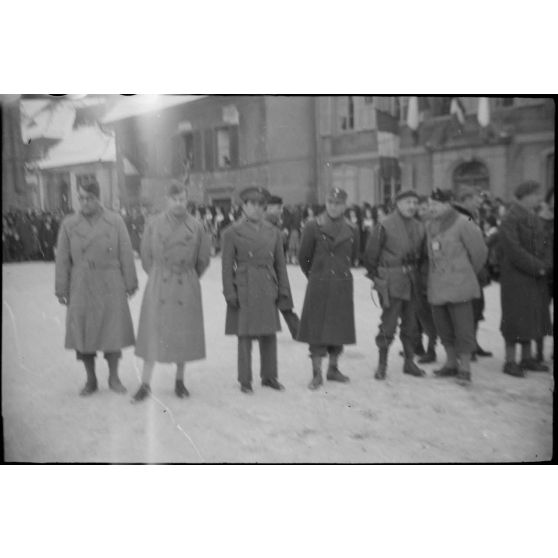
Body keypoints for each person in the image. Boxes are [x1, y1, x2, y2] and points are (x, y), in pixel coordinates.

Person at [54, 180, 138, 396]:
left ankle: (114, 377)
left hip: (110, 281)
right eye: (80, 198)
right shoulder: (69, 224)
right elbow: (62, 259)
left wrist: (130, 282)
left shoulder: (115, 221)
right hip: (81, 284)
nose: (84, 202)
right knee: (84, 333)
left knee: (113, 331)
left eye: (89, 198)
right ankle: (91, 379)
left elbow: (126, 252)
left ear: (98, 198)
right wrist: (61, 288)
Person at [132, 182, 211, 402]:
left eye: (183, 199)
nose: (179, 203)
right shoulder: (154, 224)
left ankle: (180, 381)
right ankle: (145, 383)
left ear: (187, 200)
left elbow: (203, 259)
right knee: (152, 334)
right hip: (160, 282)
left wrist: (187, 277)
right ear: (167, 200)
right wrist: (159, 274)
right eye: (175, 199)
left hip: (184, 283)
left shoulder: (196, 226)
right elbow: (146, 254)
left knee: (182, 335)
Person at [222, 186, 294, 394]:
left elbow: (281, 265)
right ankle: (245, 379)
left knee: (269, 333)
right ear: (243, 206)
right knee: (244, 335)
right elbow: (226, 267)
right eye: (251, 204)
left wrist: (284, 290)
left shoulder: (274, 233)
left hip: (267, 284)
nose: (256, 209)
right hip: (244, 286)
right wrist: (229, 293)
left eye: (260, 205)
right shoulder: (232, 232)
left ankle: (269, 376)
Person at [297, 187, 360, 390]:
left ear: (345, 205)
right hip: (320, 283)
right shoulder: (312, 226)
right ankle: (316, 374)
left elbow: (354, 255)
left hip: (341, 283)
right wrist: (316, 275)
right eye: (330, 202)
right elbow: (303, 257)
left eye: (338, 203)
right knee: (317, 330)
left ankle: (333, 369)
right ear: (325, 203)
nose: (334, 206)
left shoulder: (352, 228)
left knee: (338, 327)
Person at [425, 189, 488, 385]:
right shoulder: (430, 224)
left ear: (448, 204)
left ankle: (465, 368)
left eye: (436, 204)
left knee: (463, 327)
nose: (431, 208)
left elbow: (480, 252)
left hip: (459, 285)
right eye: (430, 204)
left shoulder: (464, 222)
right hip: (437, 285)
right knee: (443, 326)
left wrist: (465, 272)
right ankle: (451, 363)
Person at [363, 190, 427, 380]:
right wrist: (378, 278)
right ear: (397, 203)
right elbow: (370, 255)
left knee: (411, 325)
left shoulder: (419, 226)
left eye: (415, 202)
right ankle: (382, 365)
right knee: (388, 324)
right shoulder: (384, 224)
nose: (412, 206)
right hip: (391, 280)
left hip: (412, 281)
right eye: (407, 202)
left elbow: (423, 256)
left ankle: (409, 362)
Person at [498, 181, 552, 377]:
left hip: (535, 277)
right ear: (525, 195)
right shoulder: (510, 218)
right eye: (535, 194)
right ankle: (510, 361)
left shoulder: (534, 217)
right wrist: (538, 266)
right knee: (515, 318)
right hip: (516, 278)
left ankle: (527, 358)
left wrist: (545, 264)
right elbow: (513, 250)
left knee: (531, 316)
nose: (539, 198)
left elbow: (546, 244)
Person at [453, 186, 493, 360]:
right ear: (466, 199)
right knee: (467, 310)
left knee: (475, 309)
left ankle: (472, 345)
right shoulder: (463, 216)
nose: (480, 201)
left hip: (472, 270)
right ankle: (466, 348)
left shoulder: (470, 215)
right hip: (467, 270)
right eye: (477, 198)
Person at [265, 194, 301, 340]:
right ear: (270, 207)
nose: (281, 211)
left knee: (283, 300)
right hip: (268, 269)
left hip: (276, 268)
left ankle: (298, 331)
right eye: (279, 208)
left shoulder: (274, 222)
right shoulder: (264, 222)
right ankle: (298, 331)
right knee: (277, 301)